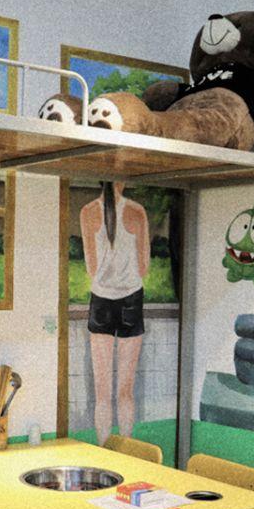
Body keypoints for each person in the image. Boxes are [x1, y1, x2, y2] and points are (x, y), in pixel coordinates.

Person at [81, 181, 150, 444]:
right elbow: (143, 266)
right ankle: (127, 449)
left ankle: (103, 450)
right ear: (123, 180)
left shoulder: (87, 211)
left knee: (102, 393)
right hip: (132, 298)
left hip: (101, 299)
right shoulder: (137, 211)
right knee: (126, 390)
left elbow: (91, 266)